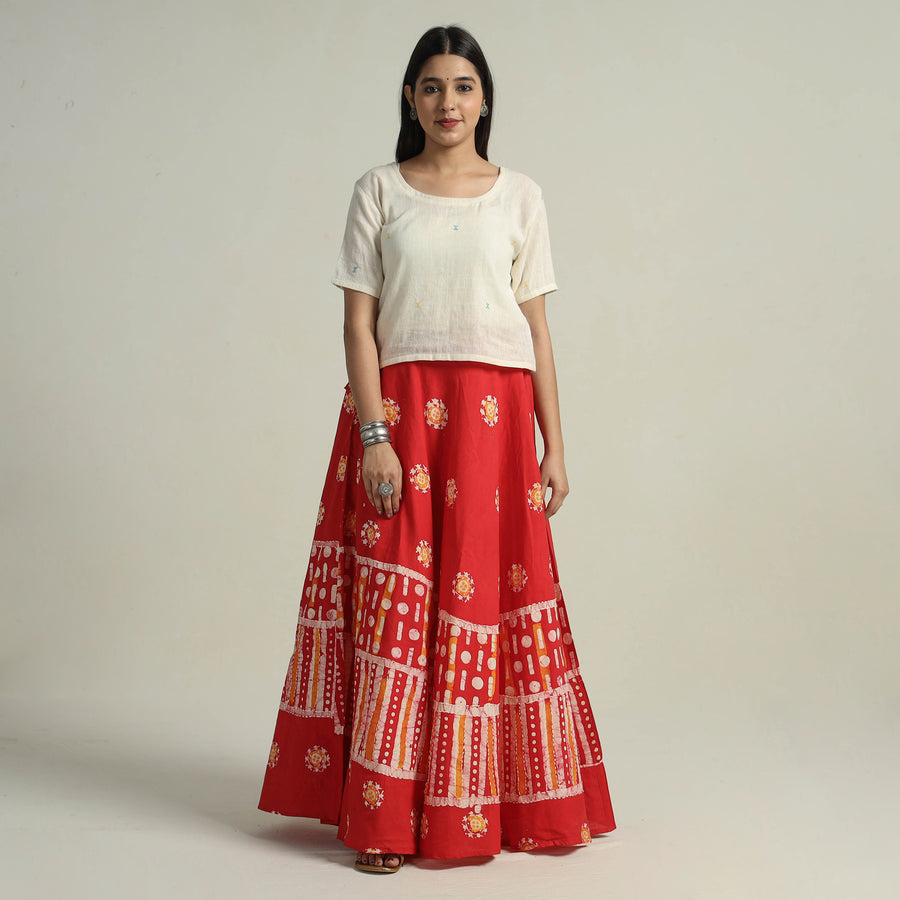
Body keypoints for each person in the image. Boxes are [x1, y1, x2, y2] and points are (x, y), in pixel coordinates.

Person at [258, 24, 616, 873]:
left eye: (462, 86)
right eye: (431, 86)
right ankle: (383, 821)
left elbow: (537, 331)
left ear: (484, 99)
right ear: (409, 99)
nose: (447, 102)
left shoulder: (520, 196)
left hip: (496, 422)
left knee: (489, 596)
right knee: (397, 602)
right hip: (401, 417)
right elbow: (357, 325)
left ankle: (504, 808)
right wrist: (375, 436)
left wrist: (555, 446)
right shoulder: (380, 190)